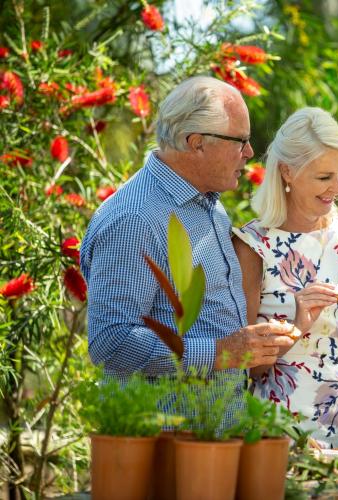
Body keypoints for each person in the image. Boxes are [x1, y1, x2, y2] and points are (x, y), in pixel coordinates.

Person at [81, 77, 296, 417]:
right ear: (196, 143)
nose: (250, 153)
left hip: (212, 435)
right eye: (240, 141)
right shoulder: (136, 218)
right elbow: (112, 342)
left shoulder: (206, 202)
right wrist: (219, 353)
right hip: (163, 445)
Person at [232, 107, 338, 448]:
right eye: (323, 177)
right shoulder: (254, 244)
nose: (336, 187)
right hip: (277, 433)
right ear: (287, 171)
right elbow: (245, 367)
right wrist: (297, 326)